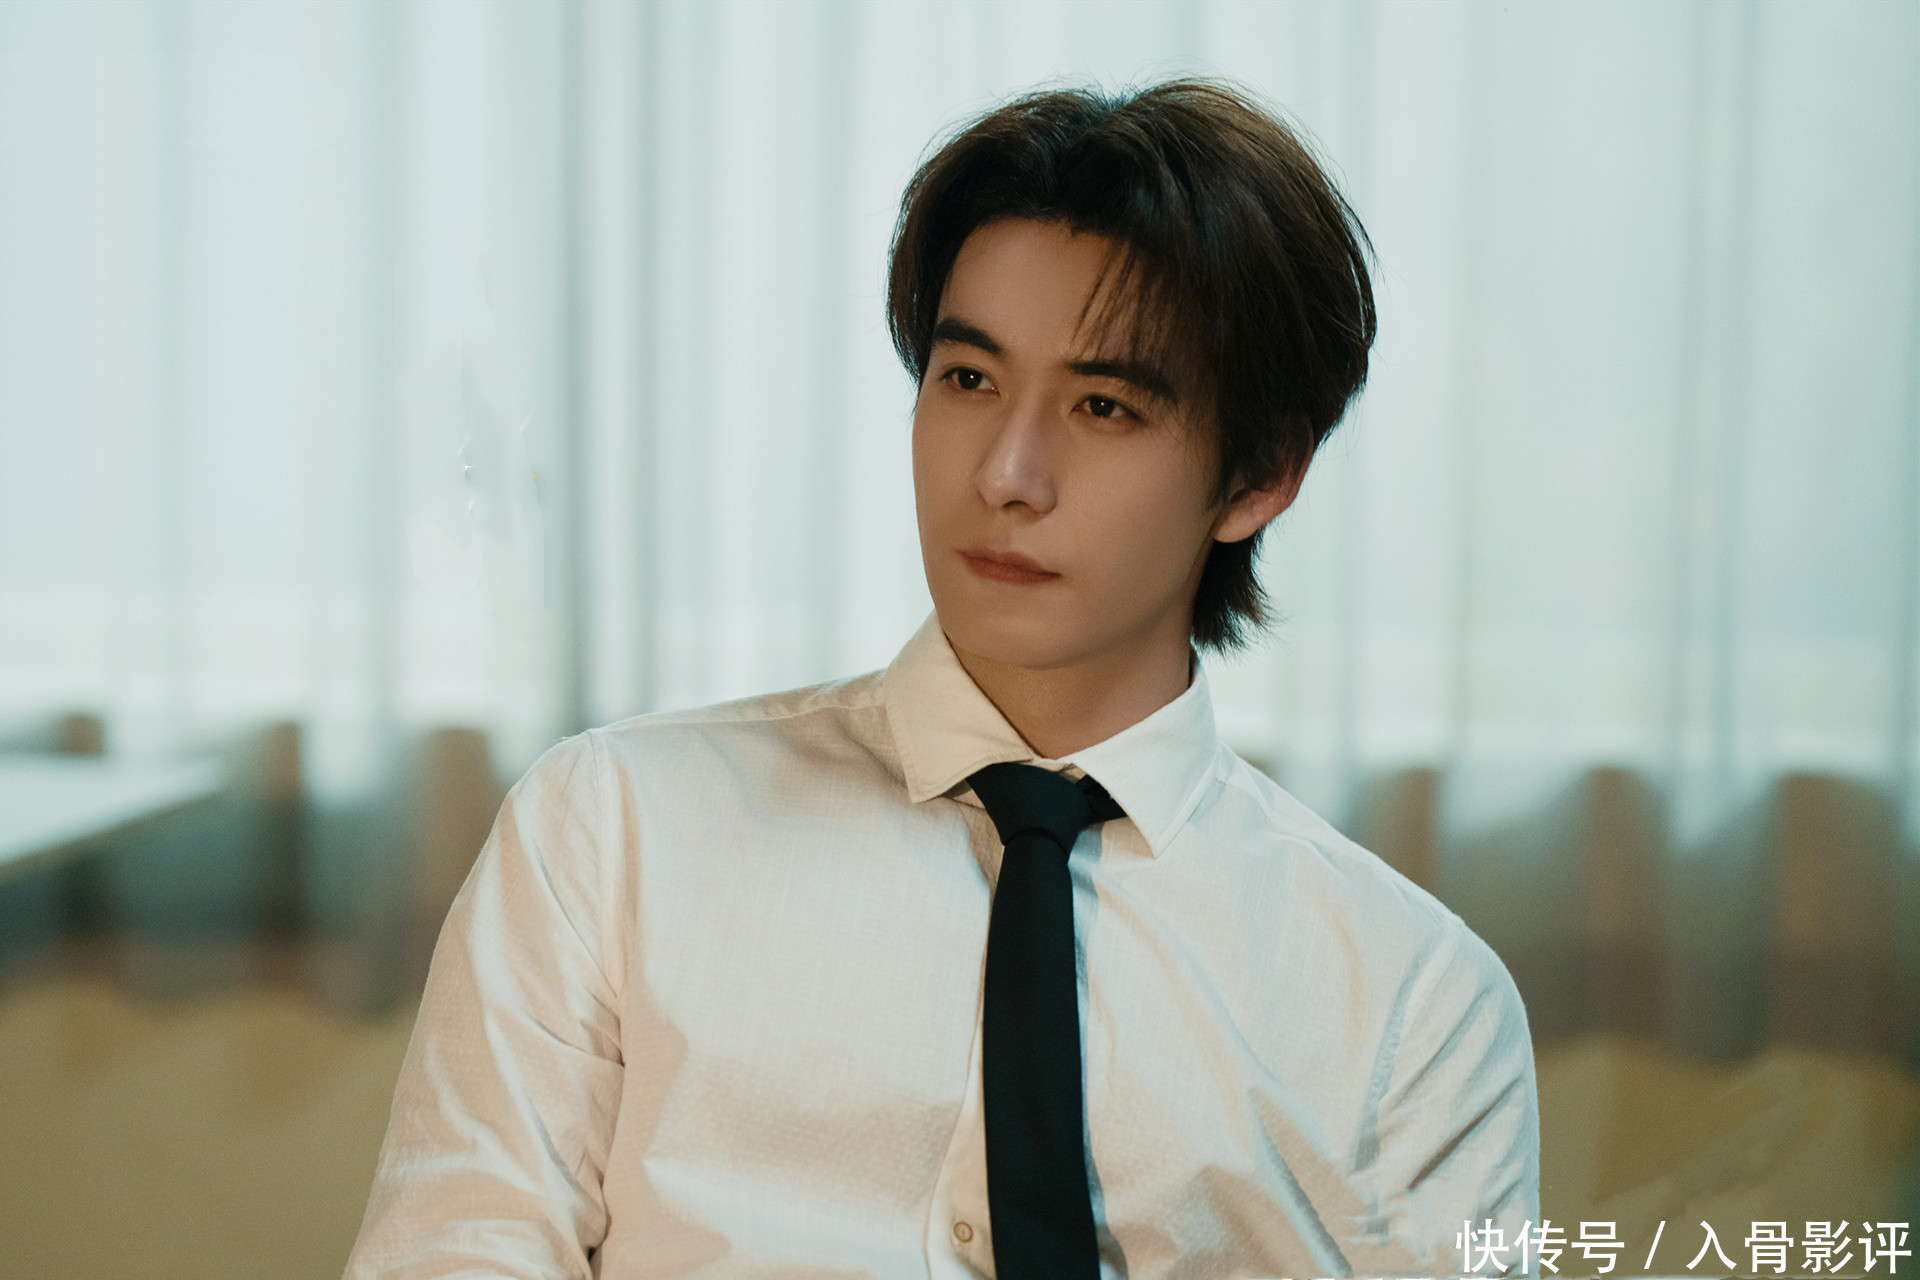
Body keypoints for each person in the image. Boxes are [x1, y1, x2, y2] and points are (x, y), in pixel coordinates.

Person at [345, 78, 1538, 1279]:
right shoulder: (613, 829)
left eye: (1104, 404)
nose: (1007, 472)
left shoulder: (1413, 1011)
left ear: (1262, 474)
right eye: (968, 379)